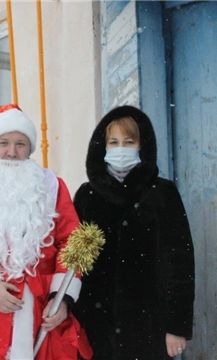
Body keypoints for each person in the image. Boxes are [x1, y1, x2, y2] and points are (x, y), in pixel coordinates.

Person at [0, 104, 92, 360]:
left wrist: (62, 298)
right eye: (4, 143)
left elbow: (71, 242)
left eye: (21, 144)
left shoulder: (52, 186)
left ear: (30, 148)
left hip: (42, 308)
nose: (12, 152)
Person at [73, 105, 195, 359]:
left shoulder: (162, 193)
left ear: (142, 145)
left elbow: (180, 263)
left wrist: (176, 326)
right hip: (96, 324)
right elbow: (74, 264)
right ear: (102, 147)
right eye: (113, 142)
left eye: (128, 142)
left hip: (150, 323)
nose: (120, 149)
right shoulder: (88, 195)